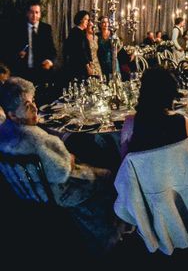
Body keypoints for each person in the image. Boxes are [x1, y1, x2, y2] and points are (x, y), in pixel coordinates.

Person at [0, 77, 123, 252]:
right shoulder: (37, 140)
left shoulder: (4, 134)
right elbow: (61, 172)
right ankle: (109, 234)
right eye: (27, 106)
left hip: (29, 192)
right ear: (12, 115)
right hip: (58, 193)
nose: (35, 108)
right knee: (109, 176)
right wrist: (69, 159)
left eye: (33, 101)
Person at [120, 68, 188, 158]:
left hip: (142, 172)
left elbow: (125, 160)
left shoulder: (130, 123)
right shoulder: (185, 122)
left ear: (143, 92)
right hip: (176, 171)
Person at [6, 0, 56, 85]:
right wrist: (17, 54)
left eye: (37, 12)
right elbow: (9, 49)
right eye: (31, 12)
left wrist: (49, 61)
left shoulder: (46, 29)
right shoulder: (17, 28)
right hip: (22, 73)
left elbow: (52, 50)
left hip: (42, 72)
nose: (34, 15)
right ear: (27, 14)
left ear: (40, 14)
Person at [63, 10, 94, 82]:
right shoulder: (76, 32)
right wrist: (87, 67)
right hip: (78, 67)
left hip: (80, 66)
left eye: (88, 19)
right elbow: (81, 51)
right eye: (86, 19)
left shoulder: (80, 32)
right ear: (80, 20)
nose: (88, 22)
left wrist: (90, 62)